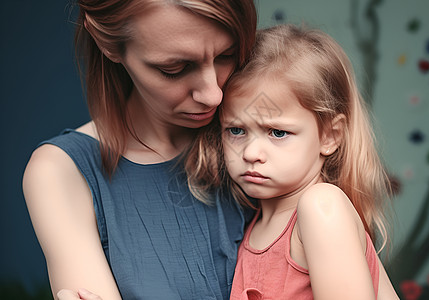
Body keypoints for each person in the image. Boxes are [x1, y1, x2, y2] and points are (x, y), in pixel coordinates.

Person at [22, 1, 256, 299]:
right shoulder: (61, 172)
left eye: (228, 55)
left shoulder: (276, 137)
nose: (213, 94)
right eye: (175, 68)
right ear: (107, 43)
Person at [191, 24, 400, 299]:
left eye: (278, 132)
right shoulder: (250, 224)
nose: (251, 153)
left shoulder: (321, 207)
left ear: (330, 136)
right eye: (236, 130)